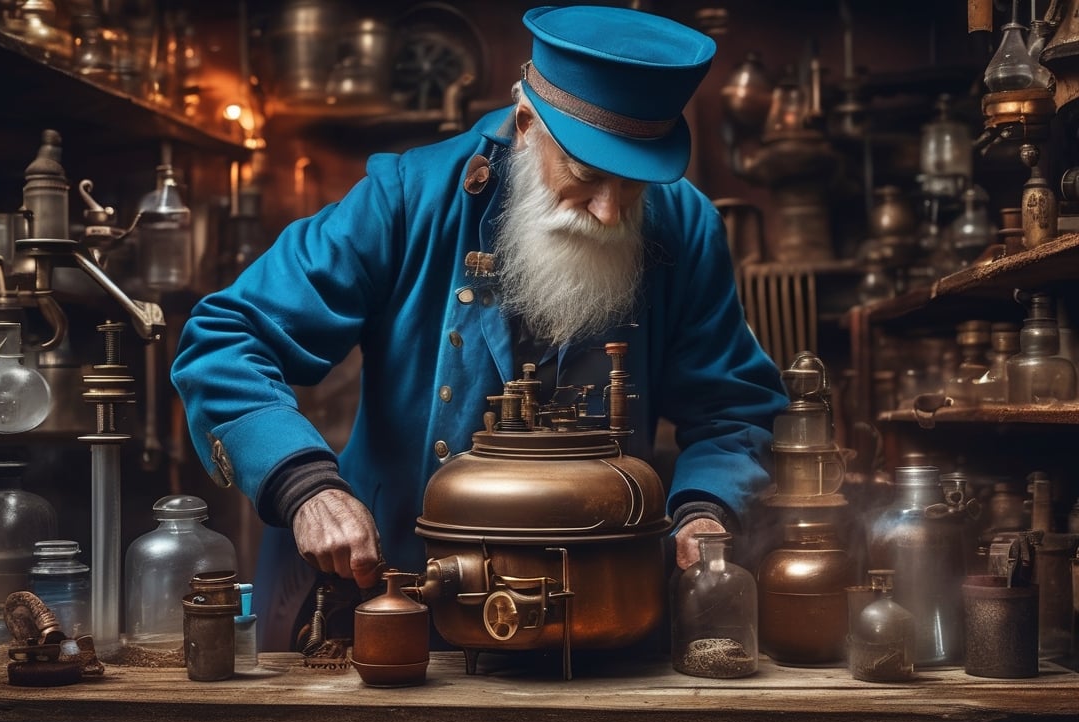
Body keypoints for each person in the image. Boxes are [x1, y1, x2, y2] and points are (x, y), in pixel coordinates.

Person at [171, 4, 789, 651]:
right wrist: (304, 485)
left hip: (604, 611)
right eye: (586, 177)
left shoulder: (685, 225)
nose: (609, 213)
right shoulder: (409, 194)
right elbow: (226, 337)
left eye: (632, 186)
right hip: (391, 598)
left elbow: (736, 412)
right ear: (527, 124)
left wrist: (705, 510)